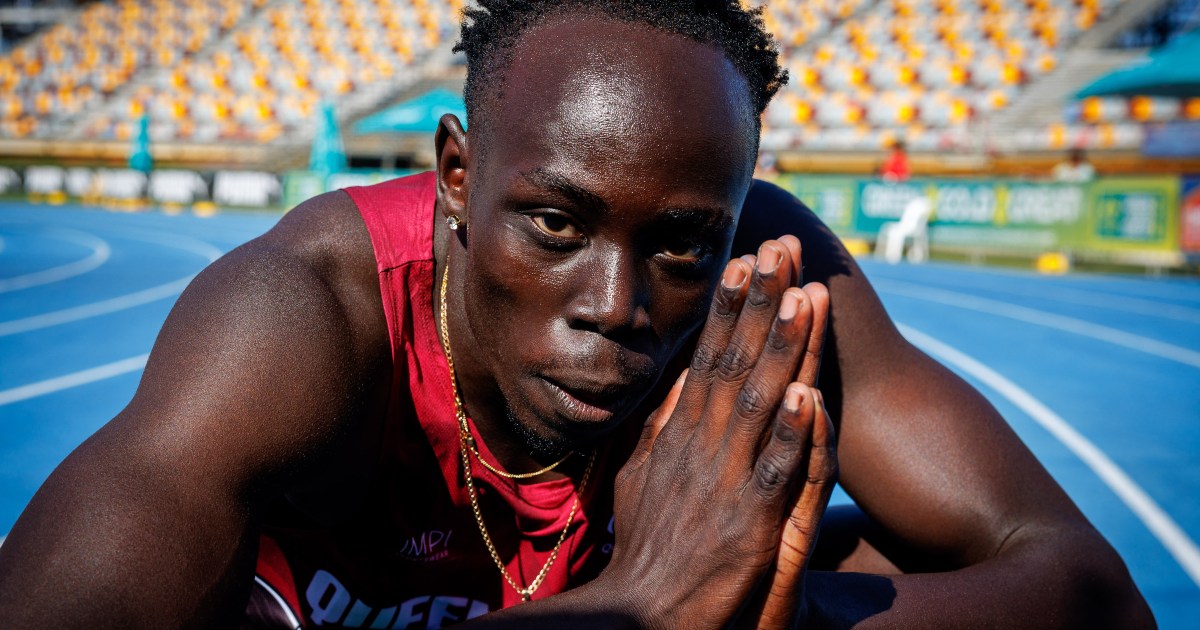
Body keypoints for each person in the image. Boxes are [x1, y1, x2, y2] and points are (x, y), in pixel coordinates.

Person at [0, 1, 1153, 628]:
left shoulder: (764, 277)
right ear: (457, 176)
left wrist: (764, 604)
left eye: (681, 243)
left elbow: (1090, 591)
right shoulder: (300, 317)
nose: (617, 309)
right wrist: (645, 606)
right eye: (555, 223)